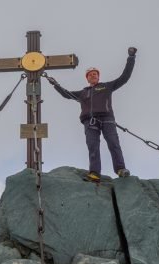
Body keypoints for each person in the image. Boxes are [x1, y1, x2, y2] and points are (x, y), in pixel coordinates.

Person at [50, 47, 137, 183]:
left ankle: (121, 169)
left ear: (98, 76)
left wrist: (131, 58)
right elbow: (66, 94)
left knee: (114, 143)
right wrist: (55, 84)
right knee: (92, 146)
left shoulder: (107, 86)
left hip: (107, 119)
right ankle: (94, 173)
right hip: (89, 121)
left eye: (95, 74)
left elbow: (124, 77)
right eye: (90, 74)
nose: (93, 75)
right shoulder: (83, 93)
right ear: (87, 78)